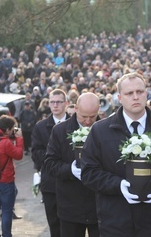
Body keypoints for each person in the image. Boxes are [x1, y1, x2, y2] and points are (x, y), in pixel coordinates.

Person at [80, 72, 151, 236]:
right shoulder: (100, 131)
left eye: (140, 92)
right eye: (129, 93)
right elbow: (88, 172)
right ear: (119, 97)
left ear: (147, 93)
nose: (135, 97)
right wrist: (118, 185)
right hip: (115, 222)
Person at [44, 92, 100, 236]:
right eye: (84, 117)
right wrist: (70, 170)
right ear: (75, 109)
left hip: (98, 206)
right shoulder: (60, 131)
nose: (88, 121)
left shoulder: (104, 129)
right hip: (70, 206)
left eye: (92, 117)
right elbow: (49, 163)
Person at [32, 88, 69, 237]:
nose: (55, 105)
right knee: (54, 223)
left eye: (58, 102)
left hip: (71, 182)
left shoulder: (74, 123)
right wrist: (54, 158)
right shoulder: (40, 127)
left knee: (72, 224)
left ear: (65, 103)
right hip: (50, 182)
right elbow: (35, 153)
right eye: (52, 102)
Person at [0, 115, 24, 237]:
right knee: (6, 211)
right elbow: (18, 155)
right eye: (12, 129)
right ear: (6, 130)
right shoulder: (5, 142)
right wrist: (19, 139)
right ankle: (7, 235)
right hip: (6, 181)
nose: (13, 131)